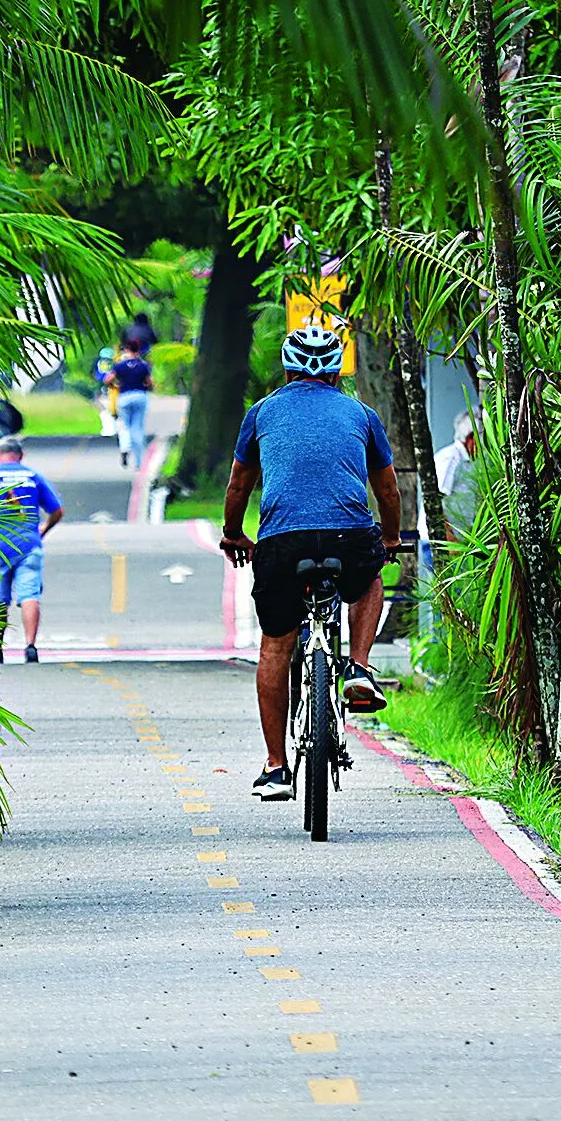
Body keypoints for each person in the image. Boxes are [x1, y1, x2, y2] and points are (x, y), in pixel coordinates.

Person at [220, 324, 401, 801]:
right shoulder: (361, 413)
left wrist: (235, 534)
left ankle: (277, 767)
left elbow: (239, 485)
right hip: (349, 535)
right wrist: (390, 536)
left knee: (276, 648)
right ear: (337, 369)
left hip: (281, 543)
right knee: (368, 578)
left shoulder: (261, 413)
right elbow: (387, 488)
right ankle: (359, 668)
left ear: (287, 367)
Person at [0, 435, 63, 664]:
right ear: (21, 455)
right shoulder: (32, 476)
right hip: (28, 544)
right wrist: (43, 529)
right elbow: (57, 511)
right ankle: (30, 645)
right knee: (29, 594)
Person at [433, 411, 481, 539]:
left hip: (458, 540)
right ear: (471, 437)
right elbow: (436, 501)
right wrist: (449, 538)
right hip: (441, 541)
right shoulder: (451, 458)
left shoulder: (467, 461)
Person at [109, 342, 153, 470]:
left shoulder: (120, 366)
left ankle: (125, 448)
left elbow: (107, 379)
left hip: (124, 397)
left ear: (127, 350)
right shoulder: (143, 366)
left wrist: (116, 385)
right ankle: (139, 463)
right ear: (138, 350)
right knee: (137, 428)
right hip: (140, 396)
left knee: (125, 426)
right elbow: (149, 382)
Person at [91, 346, 118, 437]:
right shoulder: (115, 362)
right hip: (112, 386)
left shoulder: (97, 362)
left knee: (103, 409)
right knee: (113, 409)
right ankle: (113, 429)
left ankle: (108, 429)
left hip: (101, 386)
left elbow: (93, 374)